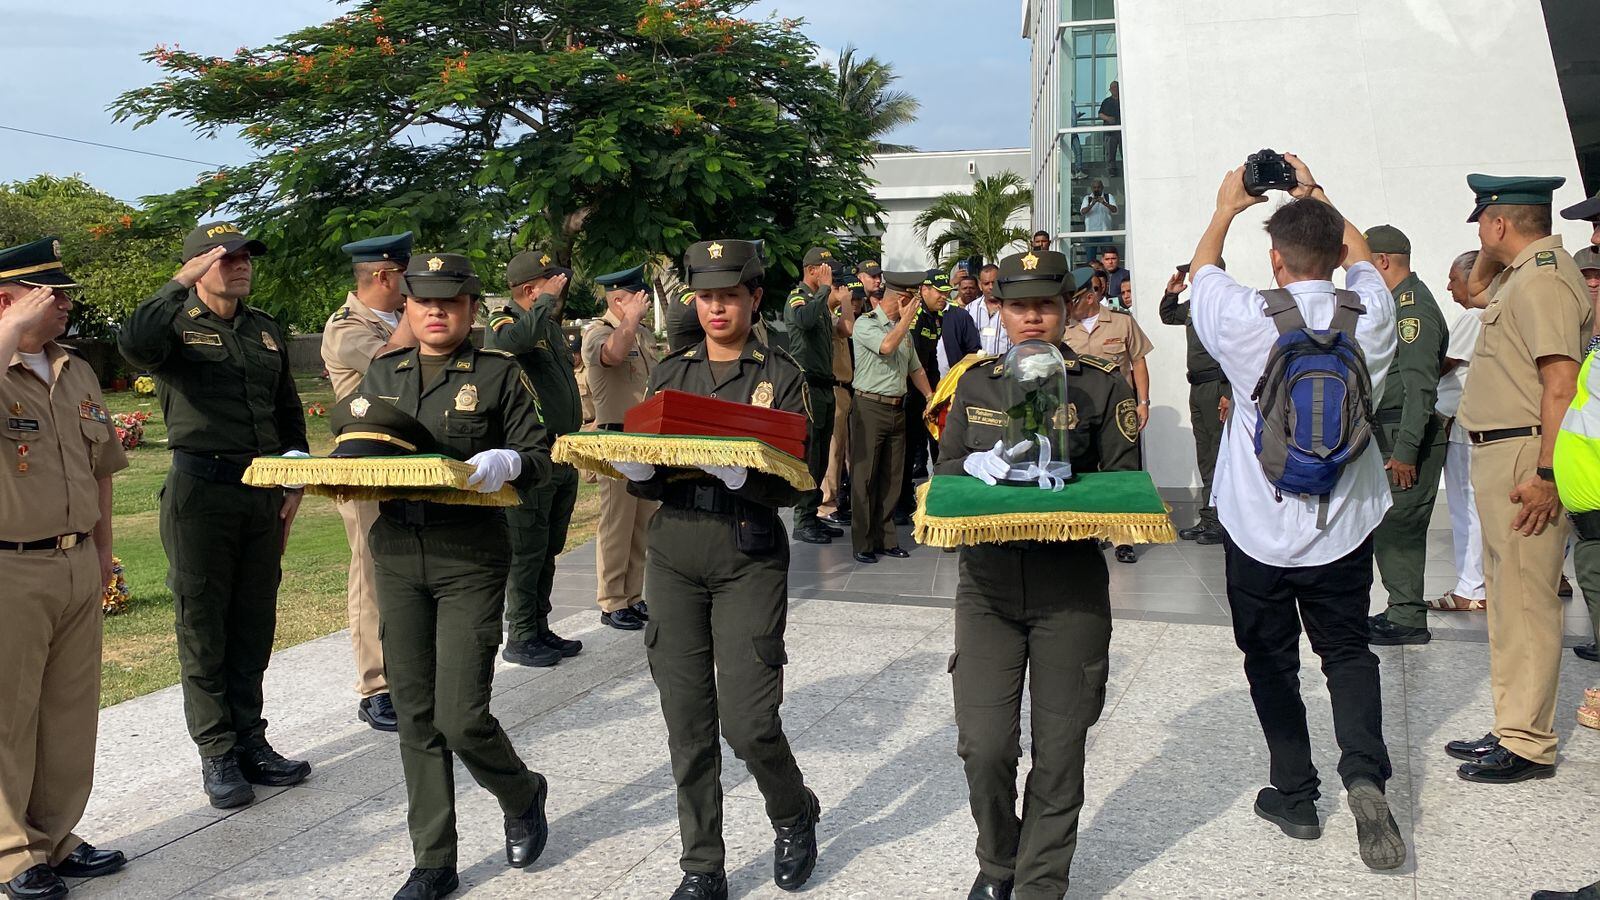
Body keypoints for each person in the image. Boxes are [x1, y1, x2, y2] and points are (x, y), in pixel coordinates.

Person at [1190, 156, 1407, 870]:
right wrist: (1313, 191)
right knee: (1346, 650)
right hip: (1343, 520)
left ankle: (1294, 791)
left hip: (1257, 524)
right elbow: (1365, 256)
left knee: (1270, 660)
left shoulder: (1247, 315)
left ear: (1276, 258)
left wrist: (1228, 206)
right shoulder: (1369, 309)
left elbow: (1202, 274)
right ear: (1333, 254)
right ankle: (1365, 775)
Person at [613, 239, 820, 900]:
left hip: (746, 550)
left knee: (748, 723)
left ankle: (793, 812)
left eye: (729, 295)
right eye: (706, 296)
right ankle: (702, 864)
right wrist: (637, 472)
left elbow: (800, 482)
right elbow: (651, 474)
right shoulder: (672, 371)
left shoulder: (782, 373)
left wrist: (746, 476)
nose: (716, 307)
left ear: (754, 297)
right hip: (674, 548)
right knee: (687, 722)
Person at [937, 250, 1137, 900]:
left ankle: (1040, 883)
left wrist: (1067, 486)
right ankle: (998, 862)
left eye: (1044, 306)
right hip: (989, 587)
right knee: (985, 746)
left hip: (1068, 587)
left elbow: (1126, 490)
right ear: (999, 307)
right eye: (1018, 305)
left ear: (1067, 308)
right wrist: (973, 470)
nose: (1031, 318)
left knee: (1060, 749)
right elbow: (944, 476)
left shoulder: (1103, 385)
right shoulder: (975, 382)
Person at [355, 253, 555, 900]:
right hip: (397, 550)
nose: (436, 312)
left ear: (471, 309)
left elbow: (542, 454)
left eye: (450, 302)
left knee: (462, 715)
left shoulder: (497, 373)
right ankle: (433, 859)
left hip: (468, 554)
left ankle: (521, 792)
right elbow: (360, 448)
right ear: (406, 308)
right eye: (424, 302)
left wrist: (510, 462)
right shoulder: (382, 372)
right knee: (414, 713)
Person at [118, 222, 312, 810]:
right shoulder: (172, 327)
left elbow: (287, 410)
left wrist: (296, 475)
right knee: (203, 627)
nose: (241, 265)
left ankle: (252, 741)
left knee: (253, 622)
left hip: (260, 492)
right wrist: (177, 283)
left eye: (246, 255)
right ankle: (218, 753)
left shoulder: (265, 331)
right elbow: (132, 342)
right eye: (226, 257)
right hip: (200, 494)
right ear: (199, 266)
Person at [1446, 175, 1592, 785]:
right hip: (1501, 452)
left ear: (1500, 222)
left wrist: (1547, 474)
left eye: (1484, 220)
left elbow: (1560, 383)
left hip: (1525, 455)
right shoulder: (1520, 274)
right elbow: (1473, 288)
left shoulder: (1543, 281)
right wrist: (1497, 239)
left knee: (1529, 602)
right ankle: (1512, 722)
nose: (1480, 233)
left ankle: (1529, 742)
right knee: (1507, 599)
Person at [0, 238, 129, 900]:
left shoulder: (72, 369)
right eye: (51, 297)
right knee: (7, 716)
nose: (67, 307)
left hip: (77, 560)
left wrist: (102, 553)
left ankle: (54, 836)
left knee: (67, 713)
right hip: (10, 570)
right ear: (6, 301)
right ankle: (10, 851)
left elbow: (101, 468)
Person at [320, 231, 416, 733]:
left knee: (408, 567)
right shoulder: (346, 327)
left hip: (410, 460)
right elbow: (392, 364)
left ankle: (409, 670)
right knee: (371, 570)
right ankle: (376, 685)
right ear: (383, 275)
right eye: (408, 275)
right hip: (364, 465)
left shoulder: (401, 319)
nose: (417, 285)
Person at [486, 250, 584, 668]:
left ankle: (540, 626)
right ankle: (521, 633)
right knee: (527, 549)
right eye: (550, 283)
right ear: (530, 288)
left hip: (564, 453)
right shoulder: (502, 321)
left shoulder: (548, 327)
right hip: (533, 455)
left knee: (548, 547)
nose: (558, 290)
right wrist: (543, 303)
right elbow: (512, 344)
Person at [1363, 225, 1450, 646]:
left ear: (1382, 261)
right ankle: (1401, 608)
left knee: (1400, 525)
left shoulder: (1411, 309)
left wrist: (1407, 451)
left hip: (1405, 431)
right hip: (1391, 428)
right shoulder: (1397, 304)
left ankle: (1408, 618)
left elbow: (1421, 387)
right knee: (1391, 524)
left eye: (1364, 265)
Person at [582, 263, 659, 631]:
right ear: (616, 300)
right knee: (617, 523)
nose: (643, 303)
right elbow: (612, 356)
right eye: (635, 298)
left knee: (641, 521)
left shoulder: (641, 334)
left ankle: (634, 595)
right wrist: (630, 320)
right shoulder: (598, 333)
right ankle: (612, 600)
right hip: (615, 437)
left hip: (644, 439)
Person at [1062, 266, 1152, 565]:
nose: (1069, 306)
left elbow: (1138, 362)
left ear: (1091, 296)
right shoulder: (1064, 329)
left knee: (1122, 473)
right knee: (1088, 472)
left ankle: (1124, 539)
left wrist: (1143, 402)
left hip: (1119, 409)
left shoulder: (1122, 323)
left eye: (1073, 300)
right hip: (1080, 413)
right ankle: (1094, 528)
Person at [851, 271, 935, 564]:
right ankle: (863, 541)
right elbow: (886, 347)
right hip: (869, 407)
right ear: (902, 299)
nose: (915, 307)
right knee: (866, 477)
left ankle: (886, 539)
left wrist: (928, 396)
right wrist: (905, 321)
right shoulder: (866, 323)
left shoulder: (905, 332)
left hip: (897, 408)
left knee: (892, 478)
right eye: (912, 300)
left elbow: (916, 370)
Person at [1432, 251, 1489, 614]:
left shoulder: (1474, 316)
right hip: (1474, 423)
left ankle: (1472, 587)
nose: (1449, 285)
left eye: (1454, 278)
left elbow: (1441, 365)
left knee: (1466, 507)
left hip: (1464, 425)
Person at [786, 248, 854, 545]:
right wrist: (825, 291)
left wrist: (842, 301)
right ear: (812, 270)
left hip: (825, 386)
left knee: (823, 454)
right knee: (811, 455)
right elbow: (803, 321)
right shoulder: (798, 297)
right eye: (826, 271)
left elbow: (845, 330)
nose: (831, 277)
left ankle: (812, 515)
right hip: (809, 387)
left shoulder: (821, 304)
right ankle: (802, 520)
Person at [1159, 263, 1231, 545]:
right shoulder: (1193, 304)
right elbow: (1167, 316)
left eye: (1194, 272)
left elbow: (1231, 348)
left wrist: (1228, 390)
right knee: (1205, 454)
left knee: (1217, 453)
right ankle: (1209, 517)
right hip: (1198, 386)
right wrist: (1170, 293)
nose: (1190, 277)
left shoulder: (1223, 304)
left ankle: (1220, 520)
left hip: (1216, 386)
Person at [896, 270, 950, 521]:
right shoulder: (915, 317)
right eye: (940, 292)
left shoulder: (934, 316)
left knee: (920, 445)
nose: (944, 297)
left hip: (925, 391)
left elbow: (931, 360)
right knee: (905, 450)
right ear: (924, 290)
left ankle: (909, 497)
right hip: (910, 392)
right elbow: (913, 363)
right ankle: (900, 502)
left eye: (947, 293)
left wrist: (936, 390)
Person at [818, 283, 860, 529]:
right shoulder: (828, 316)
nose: (850, 296)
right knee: (833, 449)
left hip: (845, 387)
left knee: (842, 449)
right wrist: (844, 300)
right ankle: (826, 505)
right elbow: (848, 328)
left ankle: (834, 501)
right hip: (833, 386)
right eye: (841, 289)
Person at [939, 267, 1011, 375]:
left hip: (1006, 369)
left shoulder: (1012, 309)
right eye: (986, 283)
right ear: (980, 286)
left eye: (994, 283)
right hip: (977, 372)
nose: (991, 287)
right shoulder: (969, 310)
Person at [1098, 80, 1121, 175]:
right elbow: (1100, 114)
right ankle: (1112, 170)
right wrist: (1108, 118)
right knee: (1110, 152)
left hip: (1122, 130)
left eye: (1116, 87)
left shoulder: (1124, 100)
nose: (1115, 89)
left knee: (1125, 150)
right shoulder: (1106, 101)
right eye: (1113, 88)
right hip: (1110, 131)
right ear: (1110, 90)